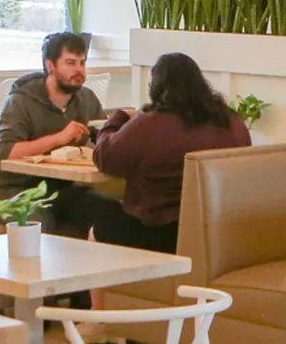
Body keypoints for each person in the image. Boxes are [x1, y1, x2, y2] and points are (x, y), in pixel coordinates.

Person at [81, 52, 251, 252]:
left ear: (157, 87)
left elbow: (105, 157)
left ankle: (101, 284)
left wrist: (117, 119)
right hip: (216, 230)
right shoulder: (232, 122)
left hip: (159, 232)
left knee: (100, 227)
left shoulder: (148, 124)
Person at [0, 31, 106, 234]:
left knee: (109, 214)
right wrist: (59, 138)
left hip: (62, 189)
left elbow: (104, 138)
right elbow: (7, 152)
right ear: (50, 65)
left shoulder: (87, 99)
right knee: (38, 222)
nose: (79, 70)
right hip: (18, 189)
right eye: (70, 63)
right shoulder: (20, 101)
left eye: (82, 63)